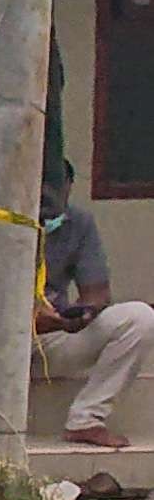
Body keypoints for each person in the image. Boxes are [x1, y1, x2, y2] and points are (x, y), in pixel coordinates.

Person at [36, 160, 153, 449]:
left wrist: (83, 314)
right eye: (39, 185)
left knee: (139, 317)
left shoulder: (78, 221)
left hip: (53, 337)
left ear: (68, 187)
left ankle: (86, 420)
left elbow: (97, 291)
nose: (45, 194)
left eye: (55, 186)